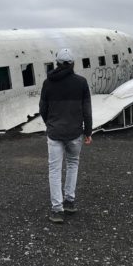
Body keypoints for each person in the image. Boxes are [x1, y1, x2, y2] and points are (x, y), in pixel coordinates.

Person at [39, 48, 93, 224]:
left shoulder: (48, 83)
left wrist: (50, 124)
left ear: (57, 63)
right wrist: (88, 132)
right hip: (75, 132)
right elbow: (87, 109)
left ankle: (57, 210)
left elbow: (43, 108)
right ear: (72, 63)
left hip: (55, 132)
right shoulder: (81, 82)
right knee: (72, 164)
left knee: (54, 170)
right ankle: (69, 201)